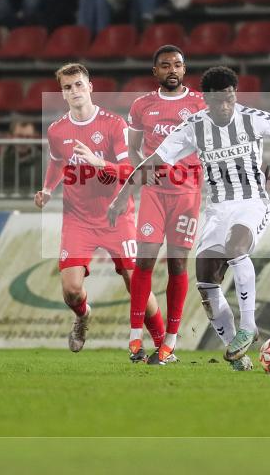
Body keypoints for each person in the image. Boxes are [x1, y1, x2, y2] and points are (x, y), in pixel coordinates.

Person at [109, 66, 270, 370]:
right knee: (205, 278)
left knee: (235, 248)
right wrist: (124, 194)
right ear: (206, 100)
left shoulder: (252, 118)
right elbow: (154, 162)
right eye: (219, 102)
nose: (226, 107)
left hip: (252, 203)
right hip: (218, 209)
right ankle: (238, 353)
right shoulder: (193, 127)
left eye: (230, 99)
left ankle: (248, 326)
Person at [35, 63, 165, 353]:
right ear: (62, 93)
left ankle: (162, 345)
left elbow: (131, 170)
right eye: (67, 87)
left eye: (79, 84)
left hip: (116, 216)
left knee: (136, 282)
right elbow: (57, 161)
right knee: (71, 290)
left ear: (90, 87)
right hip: (78, 219)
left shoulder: (113, 124)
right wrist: (48, 188)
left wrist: (98, 163)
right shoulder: (57, 130)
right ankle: (82, 317)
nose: (74, 91)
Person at [123, 45, 206, 365]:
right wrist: (142, 174)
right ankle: (134, 337)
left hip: (187, 197)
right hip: (155, 196)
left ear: (185, 70)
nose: (172, 69)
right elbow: (132, 149)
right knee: (143, 262)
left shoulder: (200, 104)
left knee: (177, 266)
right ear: (154, 72)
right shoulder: (142, 105)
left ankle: (169, 342)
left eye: (178, 65)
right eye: (165, 65)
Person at [0, 120, 41, 195]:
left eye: (28, 137)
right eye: (20, 136)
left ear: (34, 137)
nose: (24, 141)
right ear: (10, 137)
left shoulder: (46, 166)